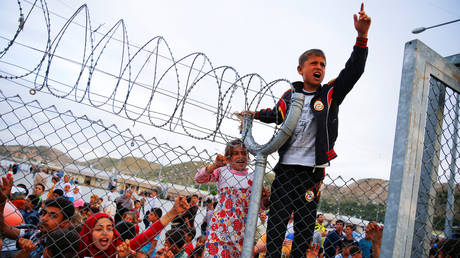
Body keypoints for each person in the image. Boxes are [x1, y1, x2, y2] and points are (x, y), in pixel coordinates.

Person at [239, 4, 371, 257]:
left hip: (313, 174)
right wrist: (253, 114)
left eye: (322, 63)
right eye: (313, 63)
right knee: (276, 223)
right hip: (287, 169)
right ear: (301, 69)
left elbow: (354, 71)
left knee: (304, 226)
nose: (319, 66)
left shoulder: (330, 94)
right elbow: (277, 115)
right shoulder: (290, 95)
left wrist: (361, 36)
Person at [194, 139, 257, 257]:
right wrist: (215, 165)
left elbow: (261, 205)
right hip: (219, 227)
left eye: (244, 153)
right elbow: (199, 179)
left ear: (248, 157)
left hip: (241, 231)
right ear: (229, 157)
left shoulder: (254, 178)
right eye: (236, 153)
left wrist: (264, 199)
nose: (241, 156)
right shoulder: (222, 171)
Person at [79, 196, 189, 258]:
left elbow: (148, 234)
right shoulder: (77, 249)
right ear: (88, 233)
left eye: (109, 228)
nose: (105, 233)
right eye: (98, 229)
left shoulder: (119, 248)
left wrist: (173, 212)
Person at [1, 176, 75, 258]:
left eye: (53, 216)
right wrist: (2, 200)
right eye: (44, 213)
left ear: (65, 223)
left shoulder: (62, 250)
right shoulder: (36, 233)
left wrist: (25, 253)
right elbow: (4, 228)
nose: (44, 218)